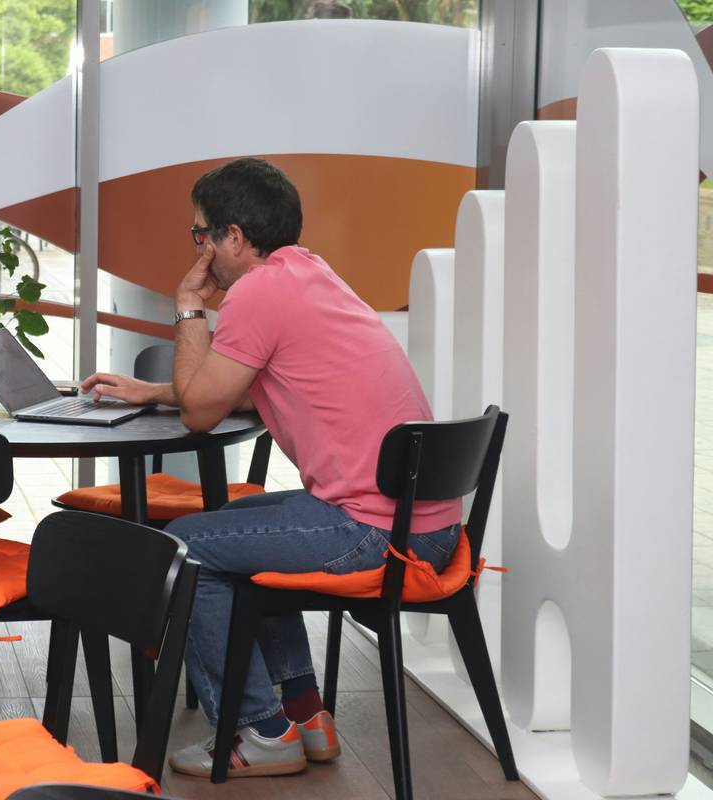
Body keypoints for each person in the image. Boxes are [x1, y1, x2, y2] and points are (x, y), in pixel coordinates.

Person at [80, 158, 462, 779]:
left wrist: (188, 306)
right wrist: (153, 392)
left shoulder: (258, 293)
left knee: (186, 549)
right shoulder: (307, 273)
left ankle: (258, 730)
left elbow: (202, 412)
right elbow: (234, 392)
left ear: (232, 236)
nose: (198, 249)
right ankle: (304, 715)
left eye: (200, 234)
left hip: (379, 535)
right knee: (238, 527)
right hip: (426, 526)